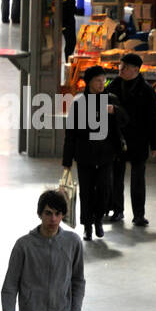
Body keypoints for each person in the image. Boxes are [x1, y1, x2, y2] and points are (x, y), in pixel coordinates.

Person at [62, 65, 125, 241]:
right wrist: (67, 161)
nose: (101, 84)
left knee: (104, 190)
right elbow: (71, 134)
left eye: (103, 80)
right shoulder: (79, 102)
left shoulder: (110, 100)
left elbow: (126, 119)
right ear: (89, 82)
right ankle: (87, 225)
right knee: (86, 192)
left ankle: (98, 220)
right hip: (84, 156)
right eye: (98, 80)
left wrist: (115, 111)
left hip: (106, 156)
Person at [106, 52, 156, 227]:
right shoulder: (113, 85)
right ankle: (117, 210)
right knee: (116, 176)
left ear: (136, 70)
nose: (120, 70)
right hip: (118, 138)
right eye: (120, 66)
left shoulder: (146, 90)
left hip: (139, 139)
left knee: (138, 178)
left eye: (124, 67)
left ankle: (139, 214)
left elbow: (154, 118)